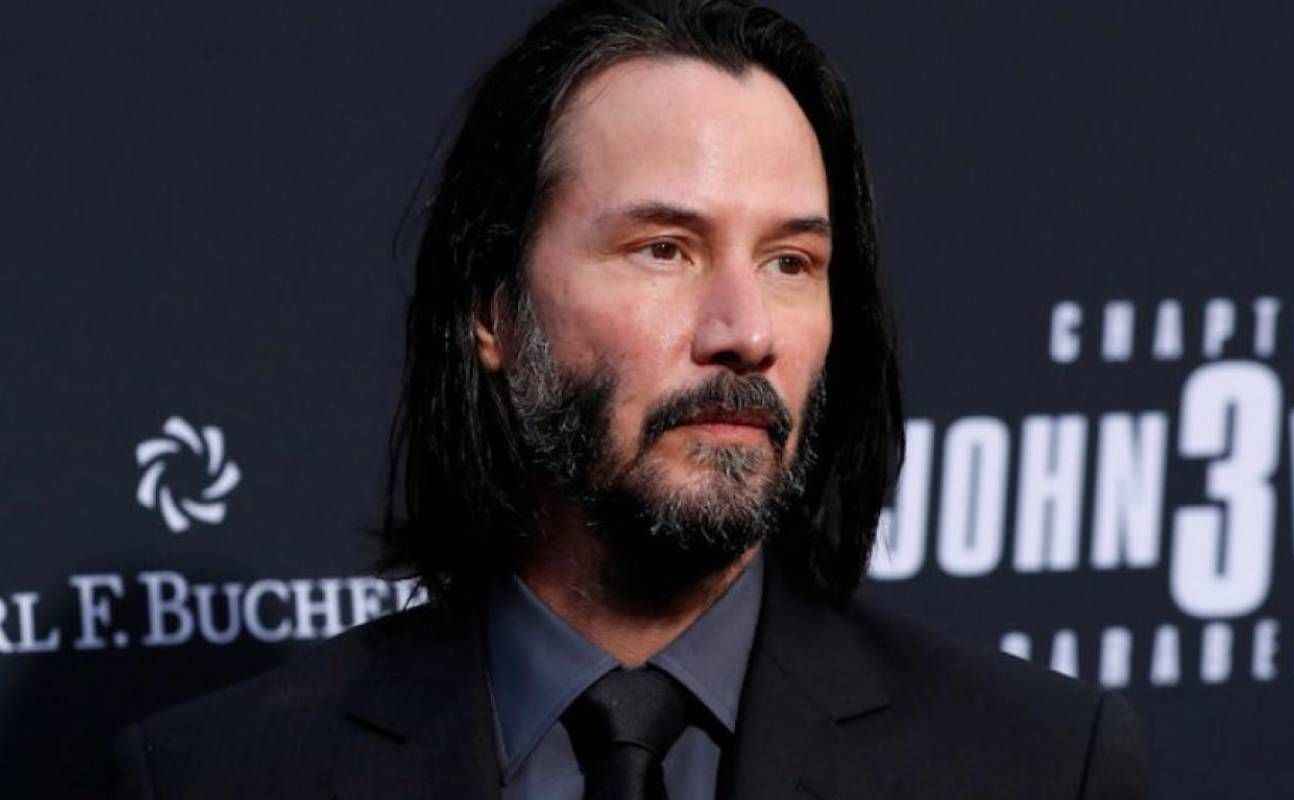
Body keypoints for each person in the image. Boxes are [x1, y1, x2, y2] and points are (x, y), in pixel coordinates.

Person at [113, 0, 1148, 797]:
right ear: (494, 309)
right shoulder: (220, 776)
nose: (745, 329)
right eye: (665, 249)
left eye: (791, 261)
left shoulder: (1039, 766)